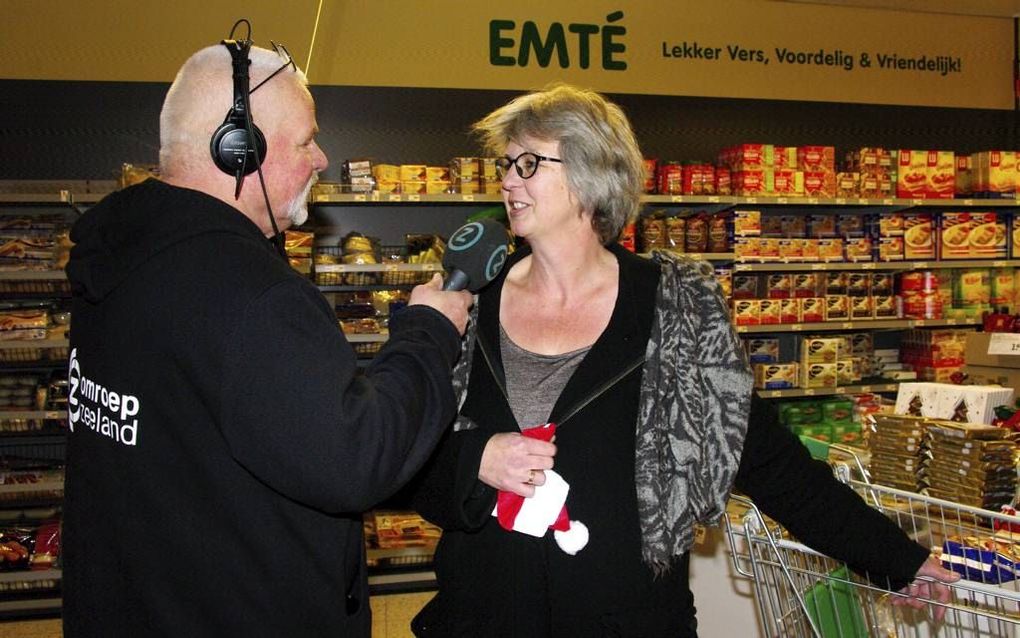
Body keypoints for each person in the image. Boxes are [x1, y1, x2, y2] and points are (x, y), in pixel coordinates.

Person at [409, 83, 958, 637]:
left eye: (528, 163)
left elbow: (768, 461)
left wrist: (898, 560)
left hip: (631, 621)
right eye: (505, 164)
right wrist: (475, 460)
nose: (506, 180)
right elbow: (401, 458)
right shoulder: (467, 303)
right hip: (480, 615)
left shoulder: (675, 307)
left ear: (591, 173)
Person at [62, 42, 472, 637]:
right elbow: (356, 456)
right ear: (239, 149)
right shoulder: (246, 294)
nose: (321, 158)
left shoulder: (121, 252)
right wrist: (428, 330)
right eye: (306, 140)